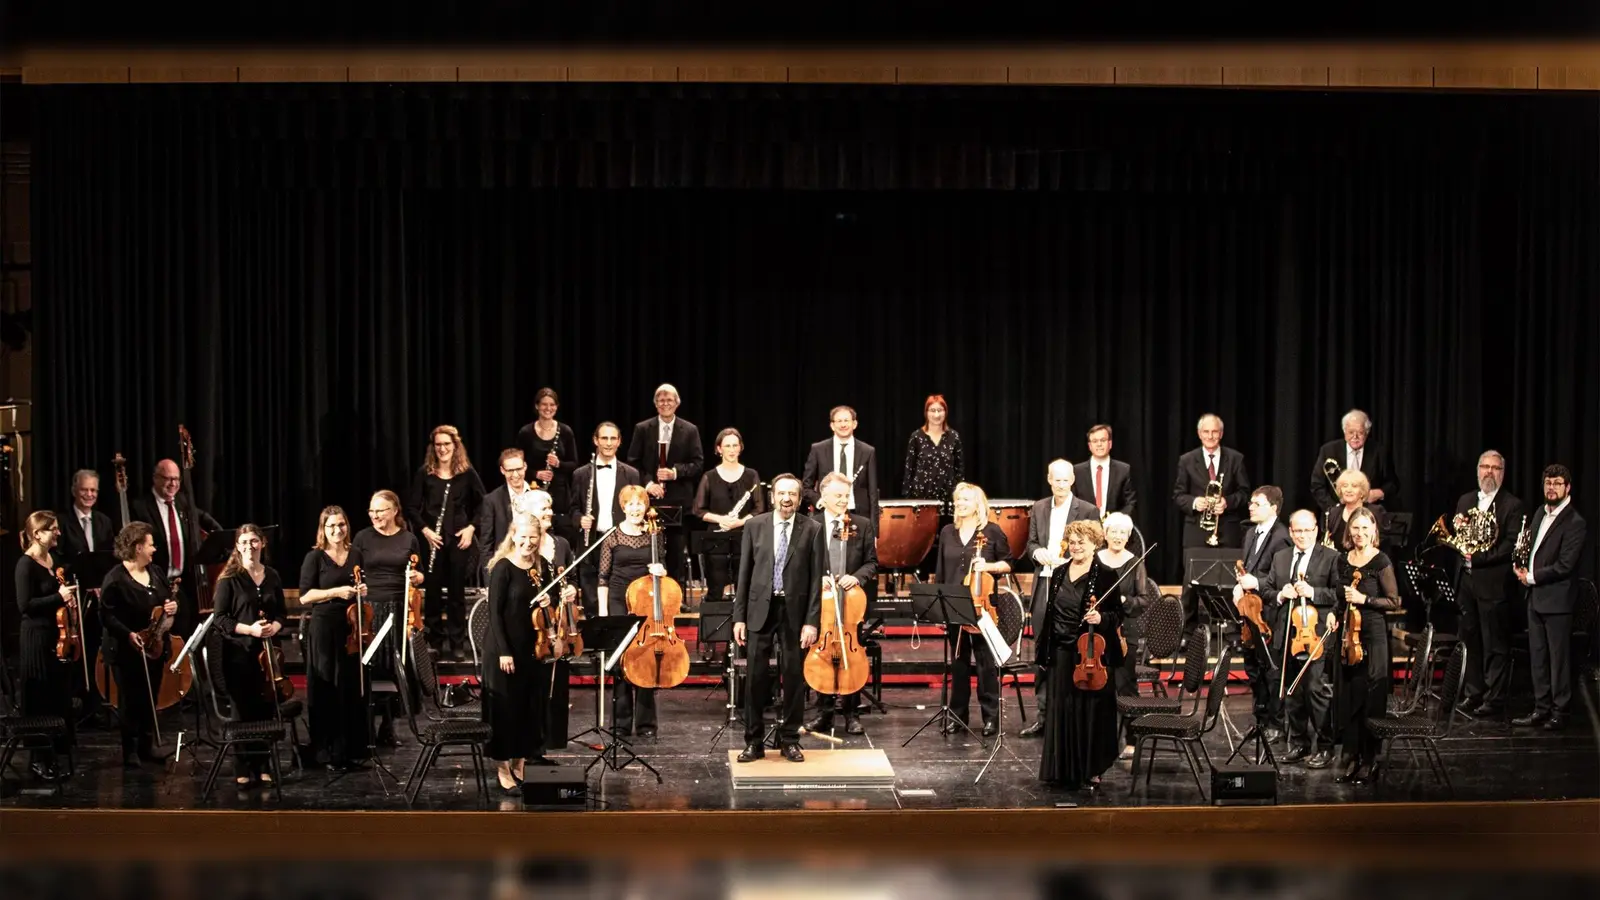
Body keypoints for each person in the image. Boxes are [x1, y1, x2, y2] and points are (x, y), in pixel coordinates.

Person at [482, 515, 575, 791]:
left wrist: (556, 598)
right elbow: (494, 614)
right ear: (513, 536)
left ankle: (520, 763)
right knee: (505, 710)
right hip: (504, 648)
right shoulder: (503, 568)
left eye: (533, 537)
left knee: (528, 709)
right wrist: (503, 652)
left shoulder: (543, 566)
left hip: (533, 648)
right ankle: (502, 766)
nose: (527, 542)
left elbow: (554, 602)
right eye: (522, 536)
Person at [733, 474, 822, 762]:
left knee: (794, 677)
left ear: (799, 498)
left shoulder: (812, 529)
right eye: (782, 493)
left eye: (792, 494)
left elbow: (816, 581)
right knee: (755, 677)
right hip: (760, 610)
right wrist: (739, 617)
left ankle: (790, 740)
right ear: (773, 496)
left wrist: (812, 621)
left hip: (794, 612)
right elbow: (744, 575)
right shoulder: (754, 526)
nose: (786, 499)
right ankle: (754, 742)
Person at [1037, 518, 1123, 790]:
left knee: (1089, 712)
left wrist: (1101, 617)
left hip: (1088, 652)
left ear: (1095, 544)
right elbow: (1051, 612)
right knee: (1062, 709)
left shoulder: (1107, 575)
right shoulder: (1060, 572)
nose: (1075, 547)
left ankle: (1090, 769)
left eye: (1080, 543)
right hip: (1062, 652)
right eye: (1071, 542)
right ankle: (1061, 769)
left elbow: (1118, 615)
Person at [1255, 510, 1340, 768]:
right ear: (1290, 532)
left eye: (1307, 530)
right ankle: (1300, 744)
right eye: (1297, 531)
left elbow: (1339, 594)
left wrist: (1313, 591)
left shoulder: (1331, 557)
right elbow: (1267, 590)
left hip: (1315, 634)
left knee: (1315, 689)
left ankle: (1325, 747)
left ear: (1316, 530)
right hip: (1287, 635)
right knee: (1291, 693)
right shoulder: (1281, 557)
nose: (1302, 535)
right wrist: (1281, 594)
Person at [1020, 459, 1099, 737]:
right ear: (1049, 479)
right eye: (1057, 480)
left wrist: (1072, 560)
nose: (1062, 485)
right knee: (1043, 652)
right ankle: (1043, 716)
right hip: (1044, 586)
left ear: (1073, 480)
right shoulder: (1039, 507)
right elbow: (1030, 543)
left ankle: (1069, 715)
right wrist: (1037, 553)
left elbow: (1094, 549)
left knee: (1070, 651)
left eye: (1066, 480)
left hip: (1072, 589)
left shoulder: (1087, 510)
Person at [211, 524, 288, 788]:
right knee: (242, 713)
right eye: (243, 542)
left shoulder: (273, 576)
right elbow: (220, 619)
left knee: (265, 709)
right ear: (237, 545)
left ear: (262, 543)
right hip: (239, 656)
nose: (249, 546)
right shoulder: (228, 579)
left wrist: (273, 628)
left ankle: (264, 766)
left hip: (268, 657)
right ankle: (242, 767)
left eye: (254, 541)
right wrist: (251, 630)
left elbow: (281, 614)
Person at [1512, 464, 1587, 732]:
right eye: (1548, 483)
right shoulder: (1538, 514)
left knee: (1558, 660)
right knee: (1538, 658)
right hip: (1535, 598)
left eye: (1557, 483)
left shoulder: (1575, 522)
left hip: (1557, 602)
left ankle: (1560, 712)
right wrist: (1520, 566)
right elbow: (1530, 548)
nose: (1551, 488)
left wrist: (1531, 576)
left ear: (1567, 488)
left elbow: (1565, 565)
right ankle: (1540, 709)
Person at [935, 482, 1012, 737]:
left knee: (985, 665)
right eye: (958, 499)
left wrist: (987, 566)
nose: (960, 504)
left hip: (983, 608)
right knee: (958, 664)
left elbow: (1008, 565)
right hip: (955, 605)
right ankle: (958, 716)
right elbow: (941, 571)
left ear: (978, 503)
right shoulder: (947, 531)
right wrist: (940, 607)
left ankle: (991, 718)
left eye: (966, 499)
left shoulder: (992, 531)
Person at [296, 506, 370, 771]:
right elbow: (305, 596)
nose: (338, 530)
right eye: (331, 526)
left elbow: (363, 587)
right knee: (327, 687)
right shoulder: (315, 557)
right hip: (324, 629)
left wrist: (362, 590)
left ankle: (348, 750)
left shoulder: (357, 554)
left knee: (349, 687)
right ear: (323, 530)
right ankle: (325, 752)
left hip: (349, 629)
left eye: (341, 525)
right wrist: (336, 591)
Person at [1331, 507, 1402, 784]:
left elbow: (1394, 602)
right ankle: (1353, 756)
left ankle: (1371, 759)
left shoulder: (1380, 560)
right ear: (1349, 532)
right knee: (1351, 696)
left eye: (1365, 528)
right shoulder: (1343, 560)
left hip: (1372, 635)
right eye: (1355, 528)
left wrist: (1365, 600)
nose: (1359, 534)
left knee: (1371, 698)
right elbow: (1340, 598)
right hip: (1349, 636)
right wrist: (1333, 616)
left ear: (1373, 530)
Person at [805, 471, 878, 736]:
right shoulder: (811, 524)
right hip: (821, 603)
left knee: (851, 655)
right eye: (838, 495)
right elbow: (801, 564)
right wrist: (817, 579)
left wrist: (856, 578)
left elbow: (872, 562)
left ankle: (851, 713)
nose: (843, 500)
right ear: (823, 496)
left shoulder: (862, 524)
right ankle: (823, 713)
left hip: (851, 603)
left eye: (847, 495)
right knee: (823, 653)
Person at [99, 522, 177, 768]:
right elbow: (107, 616)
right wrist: (128, 634)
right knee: (130, 700)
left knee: (149, 698)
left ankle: (146, 747)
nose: (154, 549)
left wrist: (172, 607)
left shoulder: (154, 572)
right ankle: (130, 751)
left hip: (153, 646)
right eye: (151, 544)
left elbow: (167, 600)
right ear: (138, 547)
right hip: (126, 649)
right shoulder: (115, 579)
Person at [405, 424, 486, 661]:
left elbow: (483, 503)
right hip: (433, 541)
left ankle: (457, 643)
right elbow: (412, 507)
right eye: (438, 444)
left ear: (455, 446)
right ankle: (434, 642)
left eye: (447, 444)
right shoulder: (425, 473)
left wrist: (471, 528)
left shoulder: (467, 473)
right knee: (431, 593)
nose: (442, 449)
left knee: (456, 594)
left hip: (459, 540)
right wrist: (426, 531)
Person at [1453, 450, 1523, 718]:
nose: (1489, 472)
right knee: (1469, 639)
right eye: (1485, 467)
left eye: (1495, 468)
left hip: (1494, 584)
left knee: (1495, 643)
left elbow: (1510, 545)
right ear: (1477, 470)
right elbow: (1459, 534)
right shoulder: (1466, 500)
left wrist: (1478, 557)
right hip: (1467, 582)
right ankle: (1473, 693)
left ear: (1502, 473)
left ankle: (1494, 699)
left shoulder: (1512, 505)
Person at [352, 490, 425, 743]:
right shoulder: (362, 537)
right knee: (372, 667)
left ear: (395, 510)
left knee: (395, 667)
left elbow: (420, 573)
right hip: (370, 608)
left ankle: (389, 724)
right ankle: (367, 722)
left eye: (380, 510)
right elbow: (354, 571)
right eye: (372, 511)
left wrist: (417, 578)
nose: (375, 515)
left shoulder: (408, 539)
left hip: (398, 608)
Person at [14, 511, 79, 781]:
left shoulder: (56, 561)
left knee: (57, 697)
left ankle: (56, 754)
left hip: (56, 639)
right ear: (37, 533)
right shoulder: (25, 565)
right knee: (39, 699)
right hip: (36, 641)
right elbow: (25, 606)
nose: (58, 533)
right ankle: (39, 759)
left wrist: (69, 602)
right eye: (53, 529)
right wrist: (58, 597)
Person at [597, 485, 664, 738]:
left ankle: (646, 724)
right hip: (618, 601)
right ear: (623, 507)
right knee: (623, 661)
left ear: (646, 507)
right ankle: (620, 724)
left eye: (640, 503)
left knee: (645, 660)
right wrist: (604, 613)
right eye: (631, 504)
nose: (636, 508)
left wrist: (661, 571)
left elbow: (663, 569)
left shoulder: (654, 535)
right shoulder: (612, 537)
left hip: (646, 602)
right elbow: (603, 578)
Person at [128, 458, 223, 634]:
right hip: (155, 583)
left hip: (184, 584)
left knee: (188, 632)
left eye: (176, 479)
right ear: (156, 478)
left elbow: (203, 518)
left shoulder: (184, 503)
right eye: (168, 479)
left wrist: (222, 536)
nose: (173, 484)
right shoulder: (140, 507)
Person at [626, 384, 705, 582]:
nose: (665, 403)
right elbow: (633, 463)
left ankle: (675, 597)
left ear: (677, 403)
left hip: (679, 503)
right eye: (661, 400)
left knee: (677, 552)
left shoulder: (690, 430)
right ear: (655, 404)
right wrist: (648, 483)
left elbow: (698, 464)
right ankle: (649, 596)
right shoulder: (642, 428)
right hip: (649, 502)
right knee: (649, 549)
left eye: (669, 400)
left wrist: (675, 473)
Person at [1232, 486, 1292, 740]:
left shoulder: (1281, 537)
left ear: (1273, 508)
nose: (1251, 507)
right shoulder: (1250, 534)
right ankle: (1261, 721)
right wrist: (1241, 582)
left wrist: (1255, 582)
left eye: (1257, 503)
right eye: (1251, 503)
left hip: (1270, 612)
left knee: (1271, 669)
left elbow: (1282, 576)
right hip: (1251, 612)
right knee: (1253, 668)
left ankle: (1276, 724)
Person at [1098, 512, 1158, 756]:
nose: (1118, 536)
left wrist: (1123, 599)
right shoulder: (1095, 559)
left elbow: (1143, 600)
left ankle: (1132, 740)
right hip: (1097, 630)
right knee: (1098, 686)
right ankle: (1100, 738)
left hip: (1125, 632)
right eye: (1114, 531)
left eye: (1123, 532)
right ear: (1105, 534)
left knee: (1126, 686)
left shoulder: (1135, 563)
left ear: (1128, 536)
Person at [571, 422, 642, 617]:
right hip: (591, 542)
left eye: (613, 438)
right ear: (596, 440)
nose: (608, 443)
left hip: (620, 542)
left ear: (619, 442)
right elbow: (573, 509)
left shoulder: (631, 474)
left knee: (618, 595)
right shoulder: (580, 474)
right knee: (591, 596)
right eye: (604, 438)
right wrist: (579, 520)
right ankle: (596, 642)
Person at [691, 427, 766, 605]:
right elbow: (698, 510)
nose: (732, 450)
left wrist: (740, 522)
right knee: (715, 589)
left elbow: (759, 508)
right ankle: (716, 630)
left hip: (745, 537)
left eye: (735, 445)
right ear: (719, 449)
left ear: (740, 447)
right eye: (727, 446)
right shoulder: (709, 477)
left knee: (744, 587)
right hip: (716, 539)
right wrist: (721, 520)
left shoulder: (751, 475)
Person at [1172, 413, 1251, 548]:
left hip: (1228, 531)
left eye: (1214, 432)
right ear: (1199, 434)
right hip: (1196, 532)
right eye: (1206, 432)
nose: (1210, 436)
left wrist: (1227, 502)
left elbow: (1244, 493)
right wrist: (1195, 502)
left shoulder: (1236, 459)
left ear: (1221, 434)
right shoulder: (1187, 460)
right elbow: (1178, 495)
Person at [514, 388, 579, 540]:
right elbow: (517, 464)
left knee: (561, 535)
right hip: (533, 490)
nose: (548, 408)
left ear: (556, 407)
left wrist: (558, 464)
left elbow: (574, 465)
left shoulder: (565, 431)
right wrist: (536, 473)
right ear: (537, 406)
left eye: (552, 405)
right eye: (544, 404)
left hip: (560, 494)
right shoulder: (526, 433)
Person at [1310, 409, 1400, 514]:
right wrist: (1335, 509)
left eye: (1360, 433)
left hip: (1369, 516)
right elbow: (1317, 485)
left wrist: (1379, 493)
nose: (1355, 437)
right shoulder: (1328, 451)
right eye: (1351, 432)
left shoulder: (1380, 452)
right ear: (1344, 431)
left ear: (1367, 433)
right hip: (1335, 516)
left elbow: (1393, 484)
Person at [802, 405, 879, 518]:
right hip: (826, 513)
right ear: (832, 425)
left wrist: (874, 529)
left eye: (846, 420)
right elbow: (806, 487)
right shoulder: (818, 449)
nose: (843, 425)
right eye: (839, 421)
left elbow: (873, 493)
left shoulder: (868, 451)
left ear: (854, 424)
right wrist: (820, 502)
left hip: (859, 515)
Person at [476, 448, 541, 562]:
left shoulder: (539, 495)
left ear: (525, 466)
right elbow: (485, 545)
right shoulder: (491, 501)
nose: (515, 475)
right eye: (510, 470)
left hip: (535, 562)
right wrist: (490, 577)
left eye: (519, 469)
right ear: (502, 470)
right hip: (505, 565)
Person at [901, 394, 963, 511]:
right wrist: (908, 499)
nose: (936, 415)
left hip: (948, 499)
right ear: (926, 413)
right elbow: (909, 470)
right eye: (932, 410)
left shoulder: (954, 437)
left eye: (940, 410)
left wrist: (960, 497)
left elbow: (959, 470)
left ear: (945, 412)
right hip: (921, 499)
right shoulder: (916, 437)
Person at [1073, 425, 1137, 521]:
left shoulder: (1123, 470)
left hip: (1114, 529)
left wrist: (1116, 520)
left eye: (1103, 440)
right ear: (1089, 446)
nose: (1099, 444)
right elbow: (1072, 503)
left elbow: (1130, 503)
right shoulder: (1077, 471)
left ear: (1110, 444)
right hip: (1084, 529)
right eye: (1095, 441)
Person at [1323, 469, 1388, 552]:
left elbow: (1383, 547)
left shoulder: (1376, 512)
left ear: (1362, 491)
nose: (1348, 490)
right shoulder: (1333, 513)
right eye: (1345, 486)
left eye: (1354, 486)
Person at [58, 469, 114, 559]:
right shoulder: (60, 521)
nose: (89, 494)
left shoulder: (105, 521)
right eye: (84, 490)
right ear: (73, 491)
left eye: (93, 490)